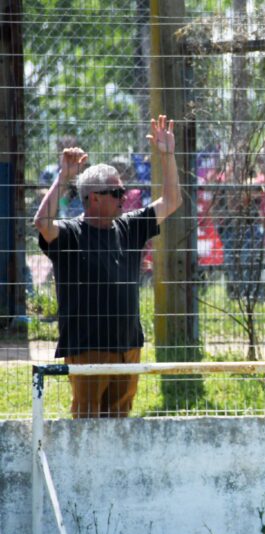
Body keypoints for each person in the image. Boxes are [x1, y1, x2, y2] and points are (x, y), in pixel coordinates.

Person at [32, 115, 181, 418]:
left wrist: (167, 156)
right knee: (87, 422)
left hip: (128, 345)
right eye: (116, 193)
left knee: (120, 422)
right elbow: (42, 223)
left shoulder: (129, 226)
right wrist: (64, 177)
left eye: (122, 192)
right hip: (88, 348)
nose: (124, 198)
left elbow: (171, 201)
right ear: (94, 199)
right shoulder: (71, 233)